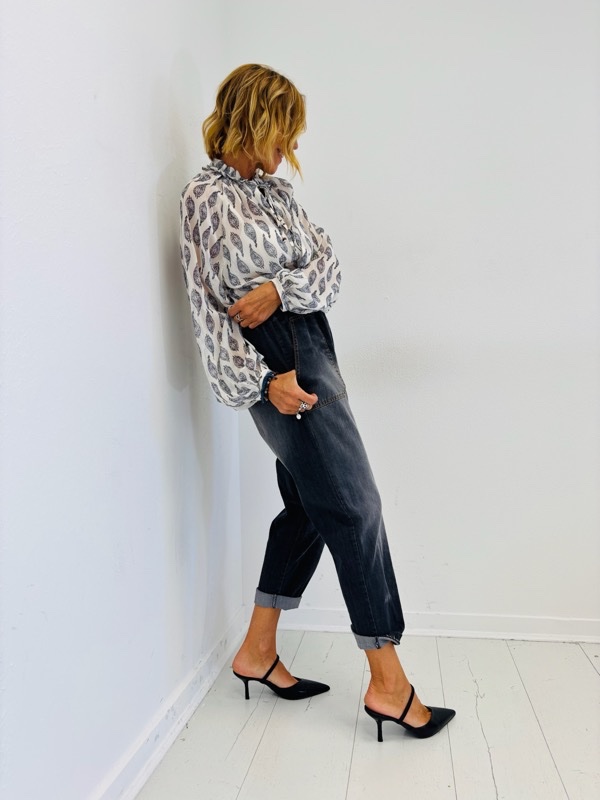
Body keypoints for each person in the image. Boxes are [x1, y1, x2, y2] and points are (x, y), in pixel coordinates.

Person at [180, 63, 455, 741]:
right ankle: (388, 683)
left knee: (310, 505)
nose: (292, 146)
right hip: (279, 364)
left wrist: (279, 288)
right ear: (256, 120)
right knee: (355, 506)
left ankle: (257, 651)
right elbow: (207, 309)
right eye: (285, 131)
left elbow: (329, 269)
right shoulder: (205, 197)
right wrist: (260, 381)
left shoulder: (278, 194)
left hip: (312, 345)